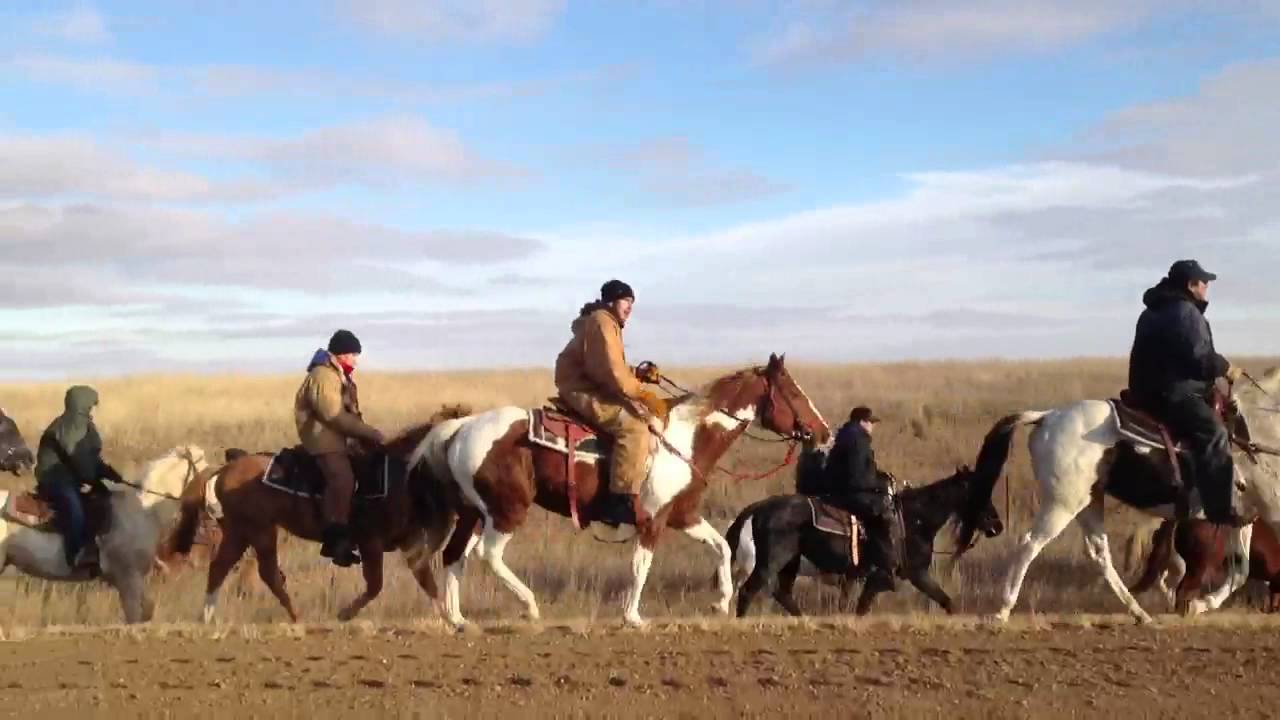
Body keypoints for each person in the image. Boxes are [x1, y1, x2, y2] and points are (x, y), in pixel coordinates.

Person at [1128, 259, 1245, 526]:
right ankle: (1218, 510)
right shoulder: (1184, 312)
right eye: (1204, 283)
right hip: (1172, 392)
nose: (1207, 289)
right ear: (1192, 285)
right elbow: (1199, 359)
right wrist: (1225, 367)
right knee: (1214, 433)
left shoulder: (1153, 310)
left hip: (1147, 389)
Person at [554, 279, 664, 527]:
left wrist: (637, 374)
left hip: (588, 385)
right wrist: (643, 394)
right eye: (626, 301)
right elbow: (611, 373)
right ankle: (619, 501)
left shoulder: (605, 322)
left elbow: (610, 367)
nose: (629, 307)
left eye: (632, 302)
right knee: (634, 425)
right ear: (612, 301)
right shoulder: (603, 322)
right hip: (582, 389)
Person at [294, 329, 386, 567]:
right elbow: (333, 415)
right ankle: (335, 537)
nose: (356, 359)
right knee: (343, 479)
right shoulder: (324, 376)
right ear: (342, 353)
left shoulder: (339, 375)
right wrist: (368, 432)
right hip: (323, 439)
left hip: (340, 438)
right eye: (354, 354)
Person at [34, 385, 122, 570]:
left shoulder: (85, 425)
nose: (95, 409)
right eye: (92, 405)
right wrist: (93, 478)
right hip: (54, 478)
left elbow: (91, 458)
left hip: (71, 478)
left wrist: (110, 473)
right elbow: (78, 458)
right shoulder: (67, 426)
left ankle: (99, 548)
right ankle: (77, 553)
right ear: (83, 405)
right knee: (73, 505)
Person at [823, 406, 900, 592]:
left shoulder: (849, 436)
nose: (873, 426)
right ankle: (883, 566)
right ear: (861, 422)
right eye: (871, 422)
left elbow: (862, 470)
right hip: (849, 493)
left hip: (842, 490)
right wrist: (878, 486)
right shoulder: (857, 440)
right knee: (882, 516)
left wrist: (879, 477)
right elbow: (857, 477)